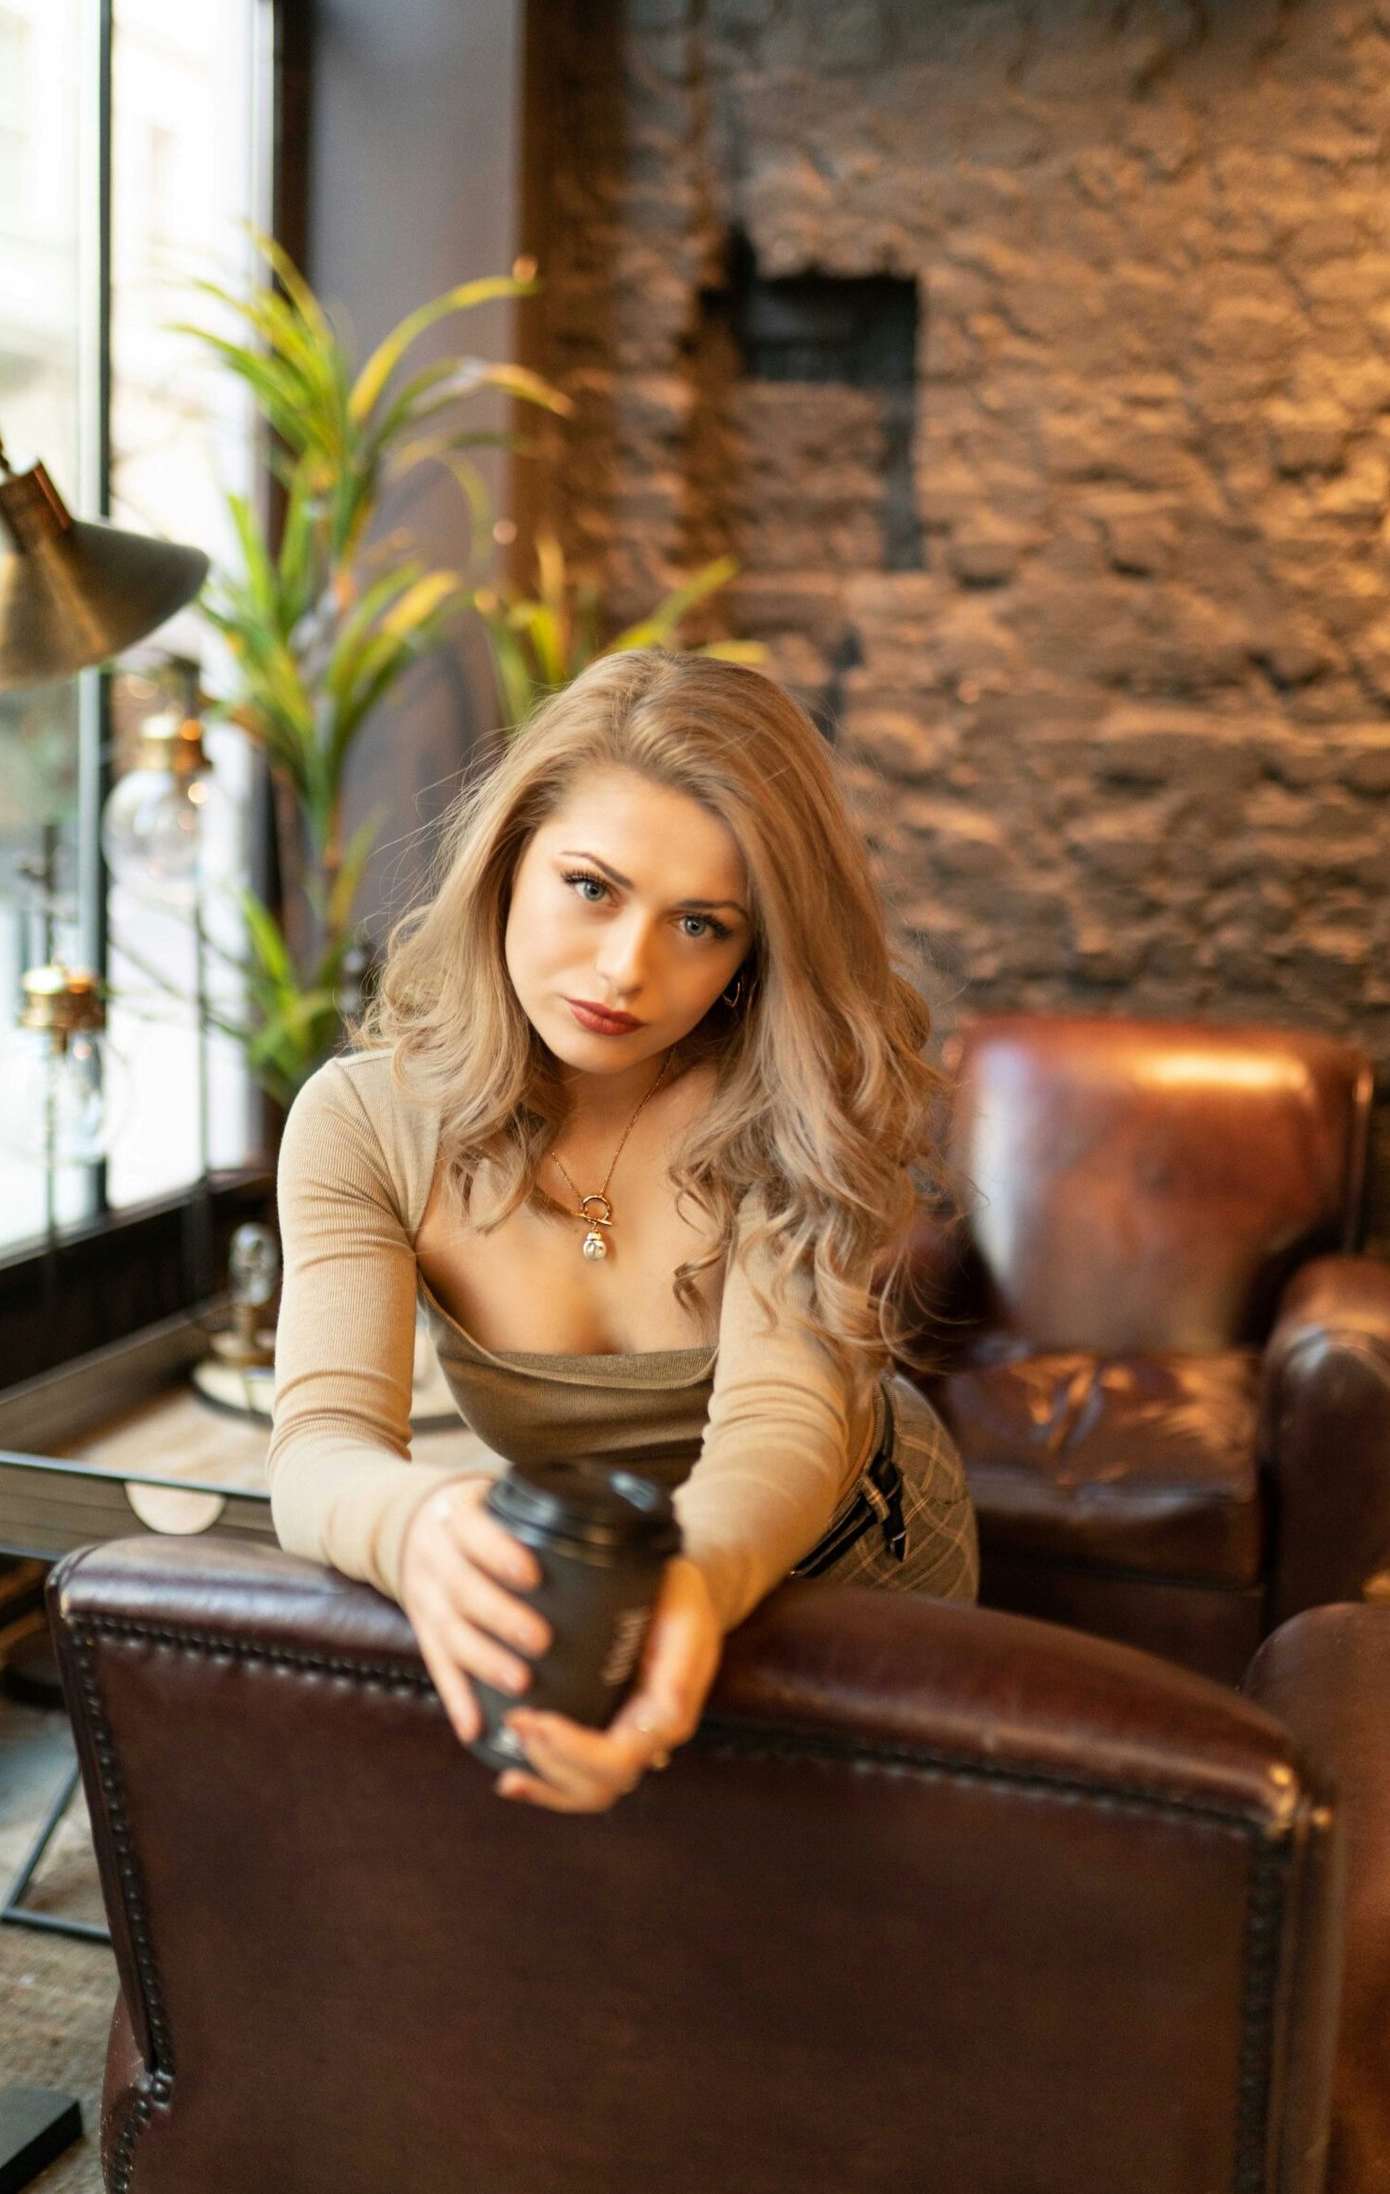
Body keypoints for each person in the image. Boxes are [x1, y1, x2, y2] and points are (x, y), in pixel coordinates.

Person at [269, 648, 978, 1817]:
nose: (624, 968)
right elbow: (316, 1448)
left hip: (850, 1565)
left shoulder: (791, 1110)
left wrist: (685, 1588)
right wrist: (419, 1521)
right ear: (507, 865)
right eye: (590, 887)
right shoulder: (362, 1125)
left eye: (699, 924)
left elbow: (782, 1423)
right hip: (608, 1588)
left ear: (753, 954)